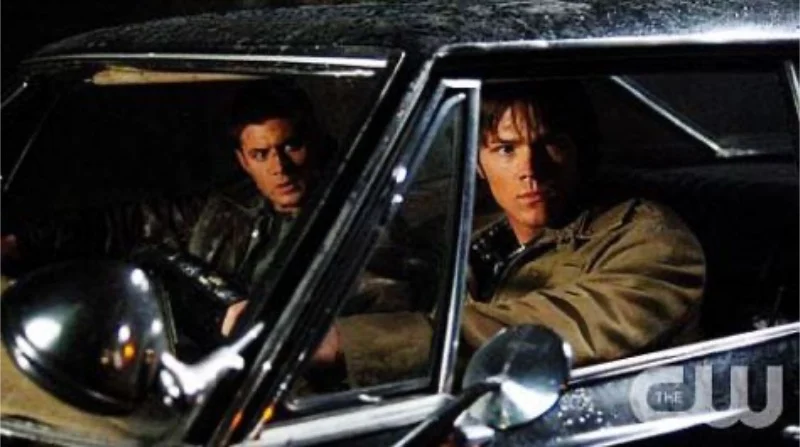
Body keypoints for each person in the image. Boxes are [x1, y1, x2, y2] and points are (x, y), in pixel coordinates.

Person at [310, 80, 706, 386]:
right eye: (505, 149)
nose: (530, 169)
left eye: (550, 145)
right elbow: (389, 282)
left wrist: (353, 342)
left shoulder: (652, 240)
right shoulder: (468, 232)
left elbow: (550, 334)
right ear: (478, 164)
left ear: (579, 152)